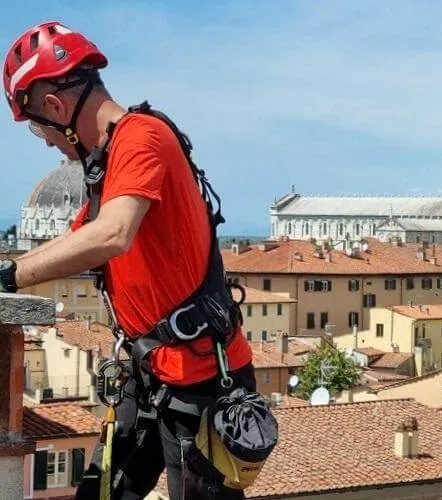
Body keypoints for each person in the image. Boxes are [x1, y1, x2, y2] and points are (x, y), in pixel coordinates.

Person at [1, 21, 271, 499]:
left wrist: (9, 274)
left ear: (56, 107)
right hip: (151, 376)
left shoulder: (142, 137)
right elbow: (76, 240)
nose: (45, 142)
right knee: (101, 493)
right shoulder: (107, 167)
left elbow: (112, 233)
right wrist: (9, 269)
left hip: (200, 380)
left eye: (38, 128)